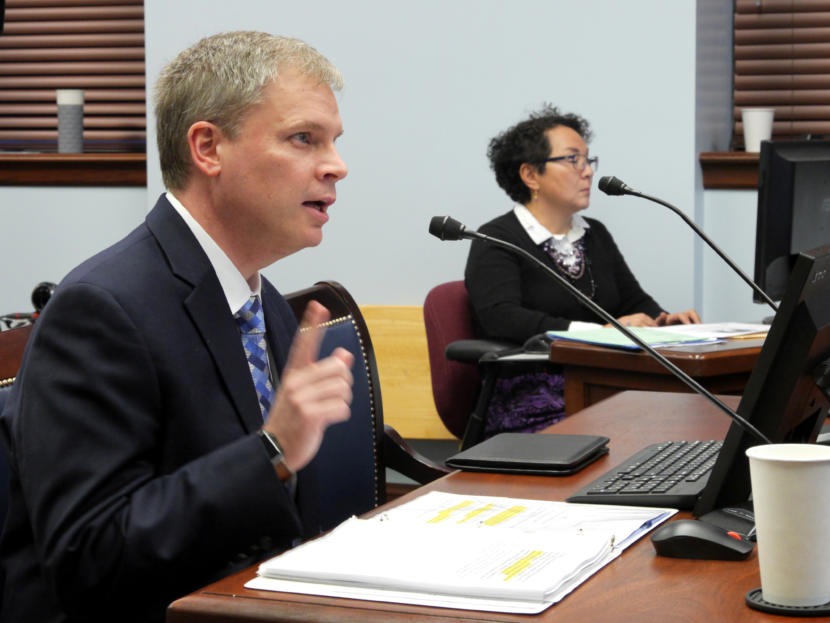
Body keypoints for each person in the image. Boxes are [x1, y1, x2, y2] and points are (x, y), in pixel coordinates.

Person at [0, 31, 353, 622]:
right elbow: (89, 557)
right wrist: (269, 452)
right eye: (303, 139)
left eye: (334, 142)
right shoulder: (102, 308)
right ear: (208, 148)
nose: (336, 166)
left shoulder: (256, 298)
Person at [465, 104, 700, 435]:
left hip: (602, 381)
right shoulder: (498, 238)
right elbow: (502, 317)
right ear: (531, 175)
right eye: (572, 159)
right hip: (533, 394)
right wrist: (598, 332)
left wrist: (664, 321)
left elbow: (632, 301)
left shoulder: (594, 234)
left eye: (588, 160)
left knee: (690, 421)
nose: (587, 171)